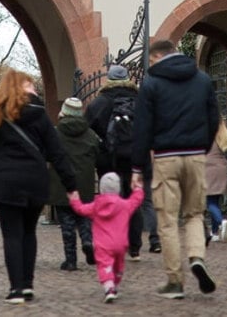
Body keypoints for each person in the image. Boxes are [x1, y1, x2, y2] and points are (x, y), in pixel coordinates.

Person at [0, 69, 77, 304]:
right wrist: (70, 184)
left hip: (5, 181)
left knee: (12, 235)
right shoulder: (40, 116)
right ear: (25, 88)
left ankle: (16, 289)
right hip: (35, 180)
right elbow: (57, 152)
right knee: (29, 233)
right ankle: (28, 284)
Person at [131, 40, 220, 300]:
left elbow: (142, 128)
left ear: (158, 56)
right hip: (195, 156)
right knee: (194, 213)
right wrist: (202, 147)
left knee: (167, 219)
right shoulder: (202, 80)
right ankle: (197, 257)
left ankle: (174, 281)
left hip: (165, 158)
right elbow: (214, 117)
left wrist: (137, 167)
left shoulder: (151, 83)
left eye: (151, 60)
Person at [86, 64, 157, 259]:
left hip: (109, 161)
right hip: (135, 160)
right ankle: (134, 248)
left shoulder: (97, 103)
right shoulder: (140, 101)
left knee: (110, 202)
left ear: (108, 79)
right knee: (133, 203)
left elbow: (87, 131)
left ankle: (113, 244)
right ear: (128, 79)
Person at [69, 172, 145, 303]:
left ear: (101, 189)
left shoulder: (96, 206)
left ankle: (109, 287)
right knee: (119, 265)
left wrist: (74, 200)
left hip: (103, 244)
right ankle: (115, 281)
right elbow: (136, 201)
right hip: (121, 244)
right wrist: (138, 188)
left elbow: (81, 209)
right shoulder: (124, 205)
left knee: (105, 265)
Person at [48, 97, 104, 271]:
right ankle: (87, 240)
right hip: (85, 184)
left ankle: (70, 259)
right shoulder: (90, 134)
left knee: (66, 223)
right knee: (84, 217)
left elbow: (47, 154)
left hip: (61, 184)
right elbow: (99, 155)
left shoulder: (55, 133)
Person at [205, 119, 227, 243]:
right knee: (215, 200)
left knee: (209, 202)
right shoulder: (226, 135)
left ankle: (221, 221)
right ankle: (215, 232)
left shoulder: (205, 133)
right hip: (222, 169)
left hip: (207, 169)